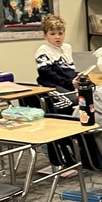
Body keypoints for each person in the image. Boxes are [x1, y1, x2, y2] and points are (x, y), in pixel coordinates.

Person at [35, 13, 79, 168]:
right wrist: (69, 82)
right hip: (51, 85)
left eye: (60, 33)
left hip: (67, 83)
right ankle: (64, 136)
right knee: (73, 101)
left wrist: (76, 78)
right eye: (52, 34)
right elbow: (47, 73)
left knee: (91, 95)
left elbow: (69, 70)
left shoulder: (67, 48)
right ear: (45, 36)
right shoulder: (43, 50)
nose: (57, 37)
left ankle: (79, 138)